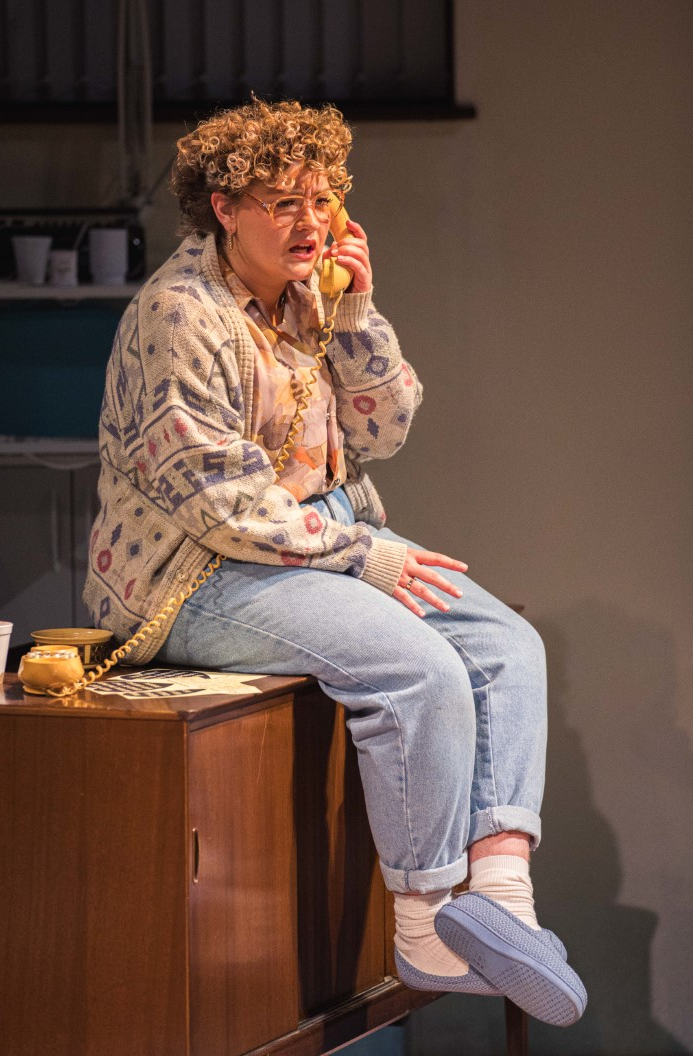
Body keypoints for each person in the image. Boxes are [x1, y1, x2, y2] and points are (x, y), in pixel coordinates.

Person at [84, 97, 587, 1027]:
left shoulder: (306, 298)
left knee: (510, 646)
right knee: (417, 668)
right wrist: (363, 557)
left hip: (312, 547)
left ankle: (503, 904)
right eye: (283, 202)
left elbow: (384, 430)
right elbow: (221, 502)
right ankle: (428, 925)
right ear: (224, 209)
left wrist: (355, 310)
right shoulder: (179, 313)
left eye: (321, 199)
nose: (310, 221)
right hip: (193, 576)